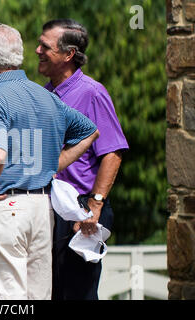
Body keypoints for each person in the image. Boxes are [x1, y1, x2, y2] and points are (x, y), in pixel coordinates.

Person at [0, 23, 99, 300]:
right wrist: (54, 163)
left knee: (1, 297)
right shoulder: (47, 96)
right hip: (42, 209)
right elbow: (90, 131)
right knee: (36, 297)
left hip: (6, 207)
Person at [36, 18, 129, 300]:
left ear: (69, 55)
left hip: (80, 211)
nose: (37, 50)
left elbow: (112, 153)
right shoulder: (44, 93)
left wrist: (95, 206)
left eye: (45, 46)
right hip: (48, 207)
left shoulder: (92, 92)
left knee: (76, 295)